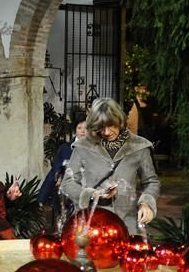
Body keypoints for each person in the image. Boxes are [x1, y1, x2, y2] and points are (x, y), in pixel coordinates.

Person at [60, 97, 160, 235]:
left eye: (111, 125)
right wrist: (92, 194)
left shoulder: (139, 146)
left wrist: (146, 203)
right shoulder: (83, 146)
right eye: (101, 127)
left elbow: (151, 182)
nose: (106, 132)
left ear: (120, 121)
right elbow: (67, 182)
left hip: (127, 225)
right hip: (90, 226)